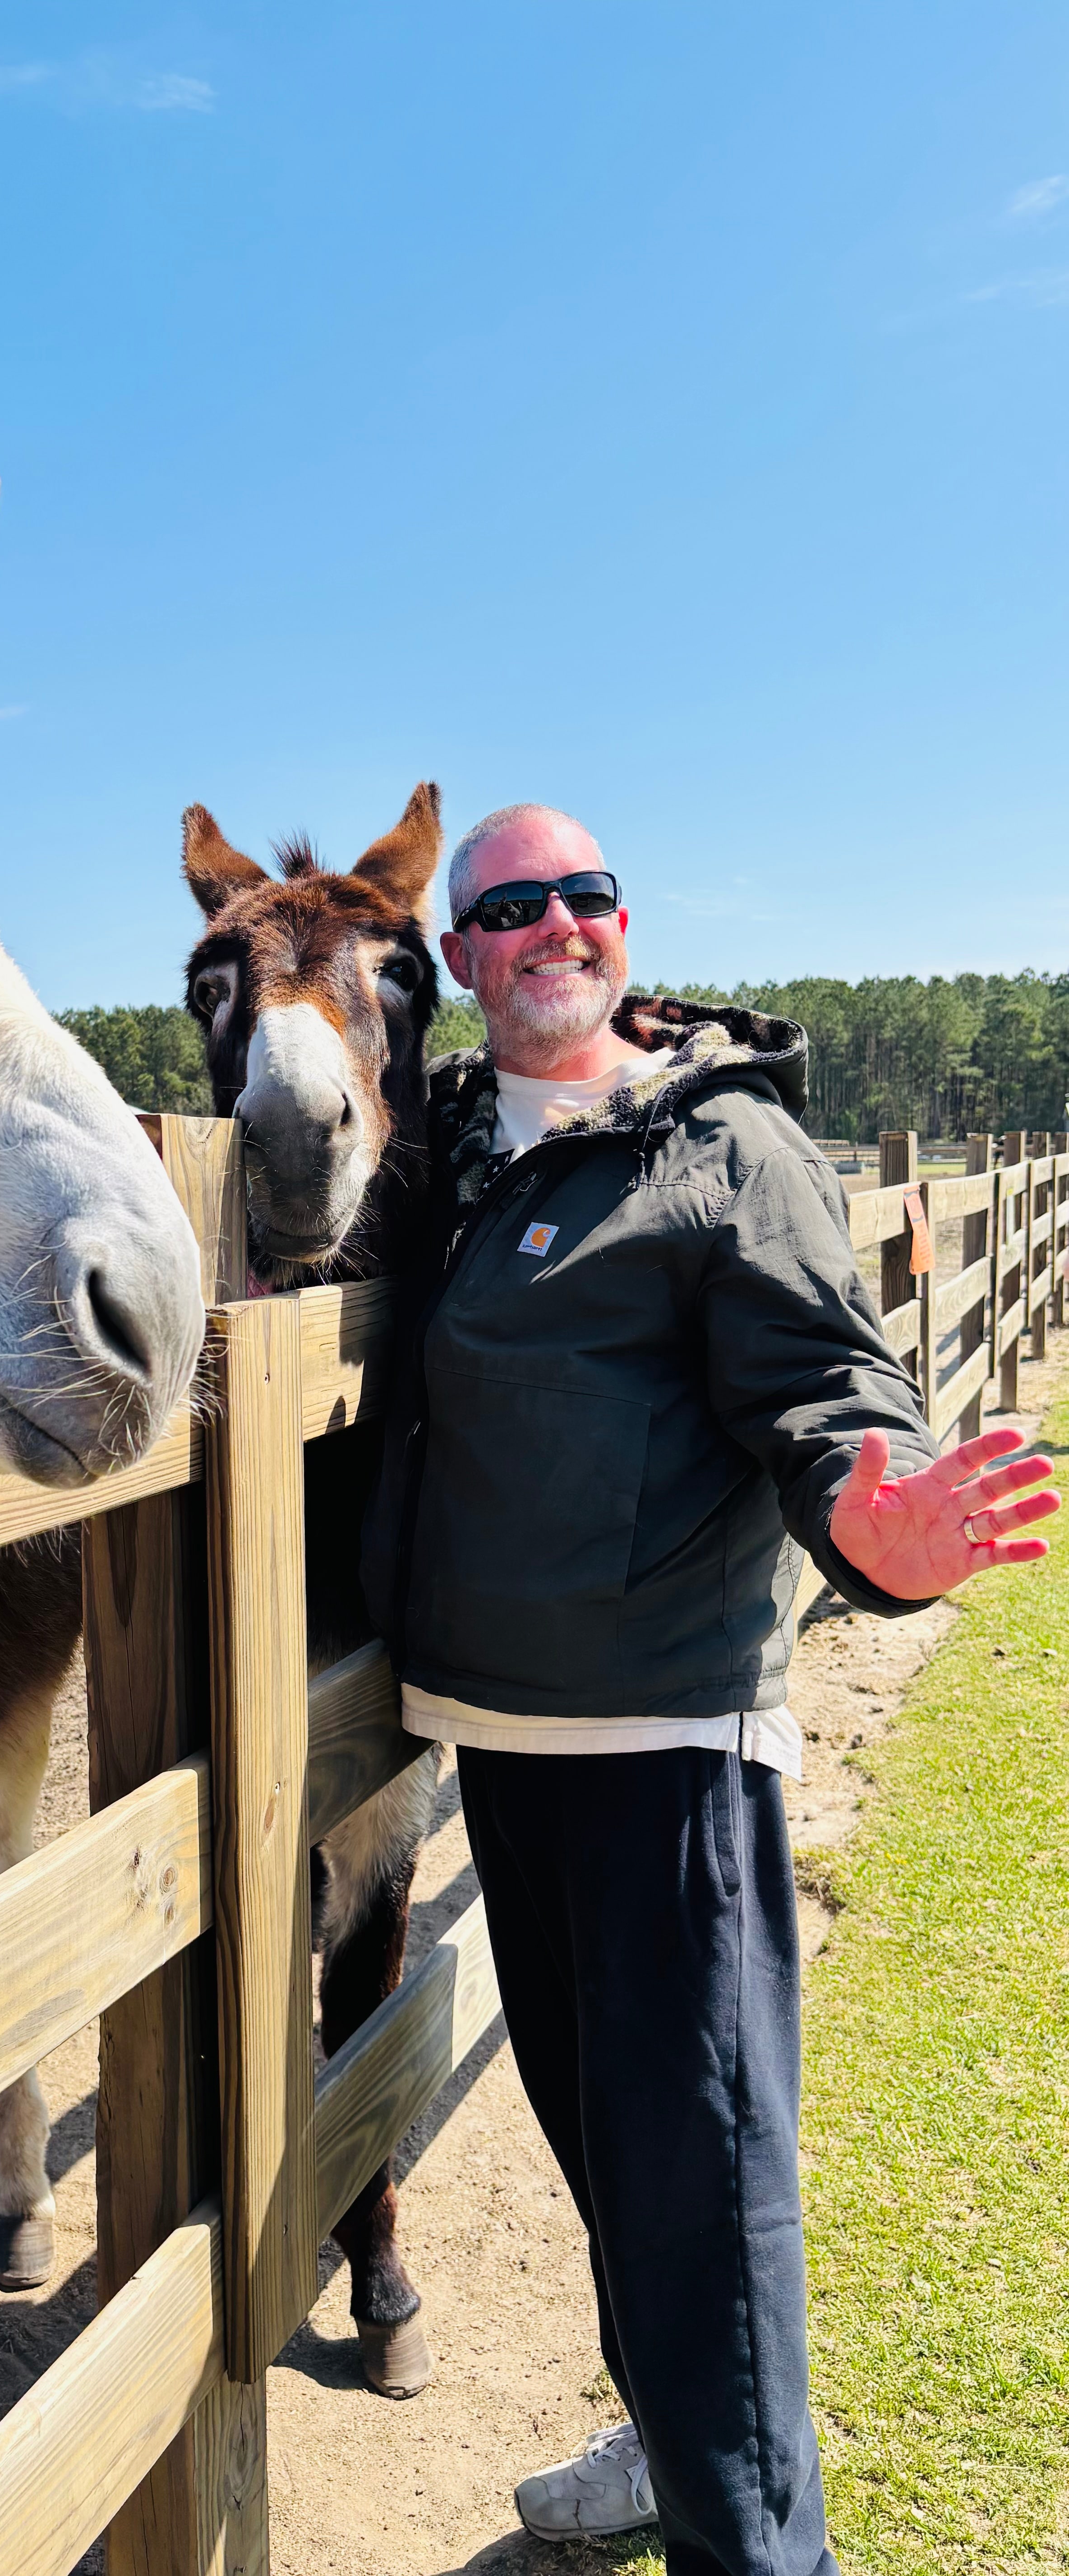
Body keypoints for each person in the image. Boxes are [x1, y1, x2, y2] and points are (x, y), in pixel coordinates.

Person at [360, 804, 1057, 2575]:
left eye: (579, 895)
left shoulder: (718, 1147)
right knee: (611, 2162)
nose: (550, 925)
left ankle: (755, 2536)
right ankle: (669, 2442)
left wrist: (882, 1513)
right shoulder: (458, 1155)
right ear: (461, 961)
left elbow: (822, 1379)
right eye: (506, 907)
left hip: (668, 1756)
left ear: (622, 926)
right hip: (507, 1752)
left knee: (701, 2210)